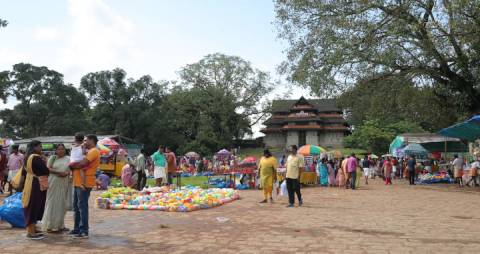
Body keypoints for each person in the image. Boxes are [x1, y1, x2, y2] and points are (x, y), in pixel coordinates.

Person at [69, 134, 100, 238]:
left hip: (86, 182)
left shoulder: (94, 151)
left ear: (92, 140)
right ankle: (76, 228)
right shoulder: (86, 151)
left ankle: (84, 230)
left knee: (82, 206)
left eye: (86, 140)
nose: (84, 142)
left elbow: (82, 163)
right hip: (77, 181)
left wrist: (72, 165)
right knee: (76, 207)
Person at [22, 140, 49, 240]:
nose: (41, 148)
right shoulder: (36, 158)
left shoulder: (27, 157)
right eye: (40, 146)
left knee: (31, 204)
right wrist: (45, 162)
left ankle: (32, 229)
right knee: (34, 205)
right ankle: (31, 232)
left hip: (30, 182)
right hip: (36, 183)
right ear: (35, 147)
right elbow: (45, 171)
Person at [42, 144, 71, 233]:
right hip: (53, 182)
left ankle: (60, 225)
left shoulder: (68, 159)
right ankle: (50, 226)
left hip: (64, 183)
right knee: (52, 203)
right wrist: (58, 172)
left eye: (63, 149)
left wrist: (66, 173)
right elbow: (48, 168)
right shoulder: (53, 158)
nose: (61, 151)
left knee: (62, 204)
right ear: (56, 150)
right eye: (59, 149)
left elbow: (71, 169)